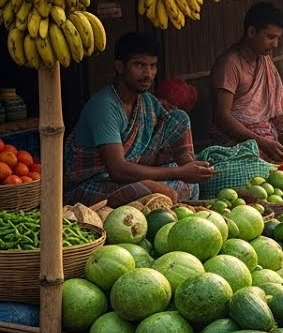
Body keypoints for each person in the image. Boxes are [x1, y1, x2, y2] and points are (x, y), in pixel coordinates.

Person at [65, 33, 214, 207]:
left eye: (153, 66)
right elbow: (117, 170)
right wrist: (180, 172)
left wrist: (189, 166)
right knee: (149, 190)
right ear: (120, 67)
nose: (148, 74)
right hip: (95, 183)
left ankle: (168, 197)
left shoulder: (147, 102)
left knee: (180, 118)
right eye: (139, 65)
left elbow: (174, 125)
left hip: (131, 175)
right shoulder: (104, 107)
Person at [210, 2, 283, 162]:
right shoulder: (229, 64)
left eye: (278, 38)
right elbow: (221, 117)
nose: (275, 44)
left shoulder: (264, 60)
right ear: (252, 32)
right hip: (233, 142)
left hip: (264, 136)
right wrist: (260, 142)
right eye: (271, 37)